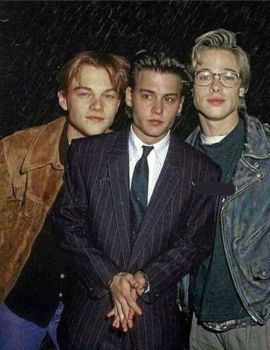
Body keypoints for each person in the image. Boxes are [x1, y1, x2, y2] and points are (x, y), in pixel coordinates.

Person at [52, 50, 221, 350]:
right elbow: (68, 225)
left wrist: (144, 279)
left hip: (155, 327)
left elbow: (196, 242)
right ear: (129, 97)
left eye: (168, 99)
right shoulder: (88, 155)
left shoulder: (204, 171)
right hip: (89, 323)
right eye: (147, 96)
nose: (157, 108)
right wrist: (111, 278)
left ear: (181, 105)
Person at [0, 50, 129, 350]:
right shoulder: (17, 151)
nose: (97, 106)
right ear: (63, 99)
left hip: (87, 312)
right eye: (85, 93)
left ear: (120, 103)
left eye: (108, 96)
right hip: (20, 303)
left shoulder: (130, 163)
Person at [185, 28, 270, 350]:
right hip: (199, 324)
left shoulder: (266, 154)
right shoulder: (178, 160)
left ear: (243, 87)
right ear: (192, 87)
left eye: (228, 76)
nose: (216, 85)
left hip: (257, 321)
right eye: (204, 75)